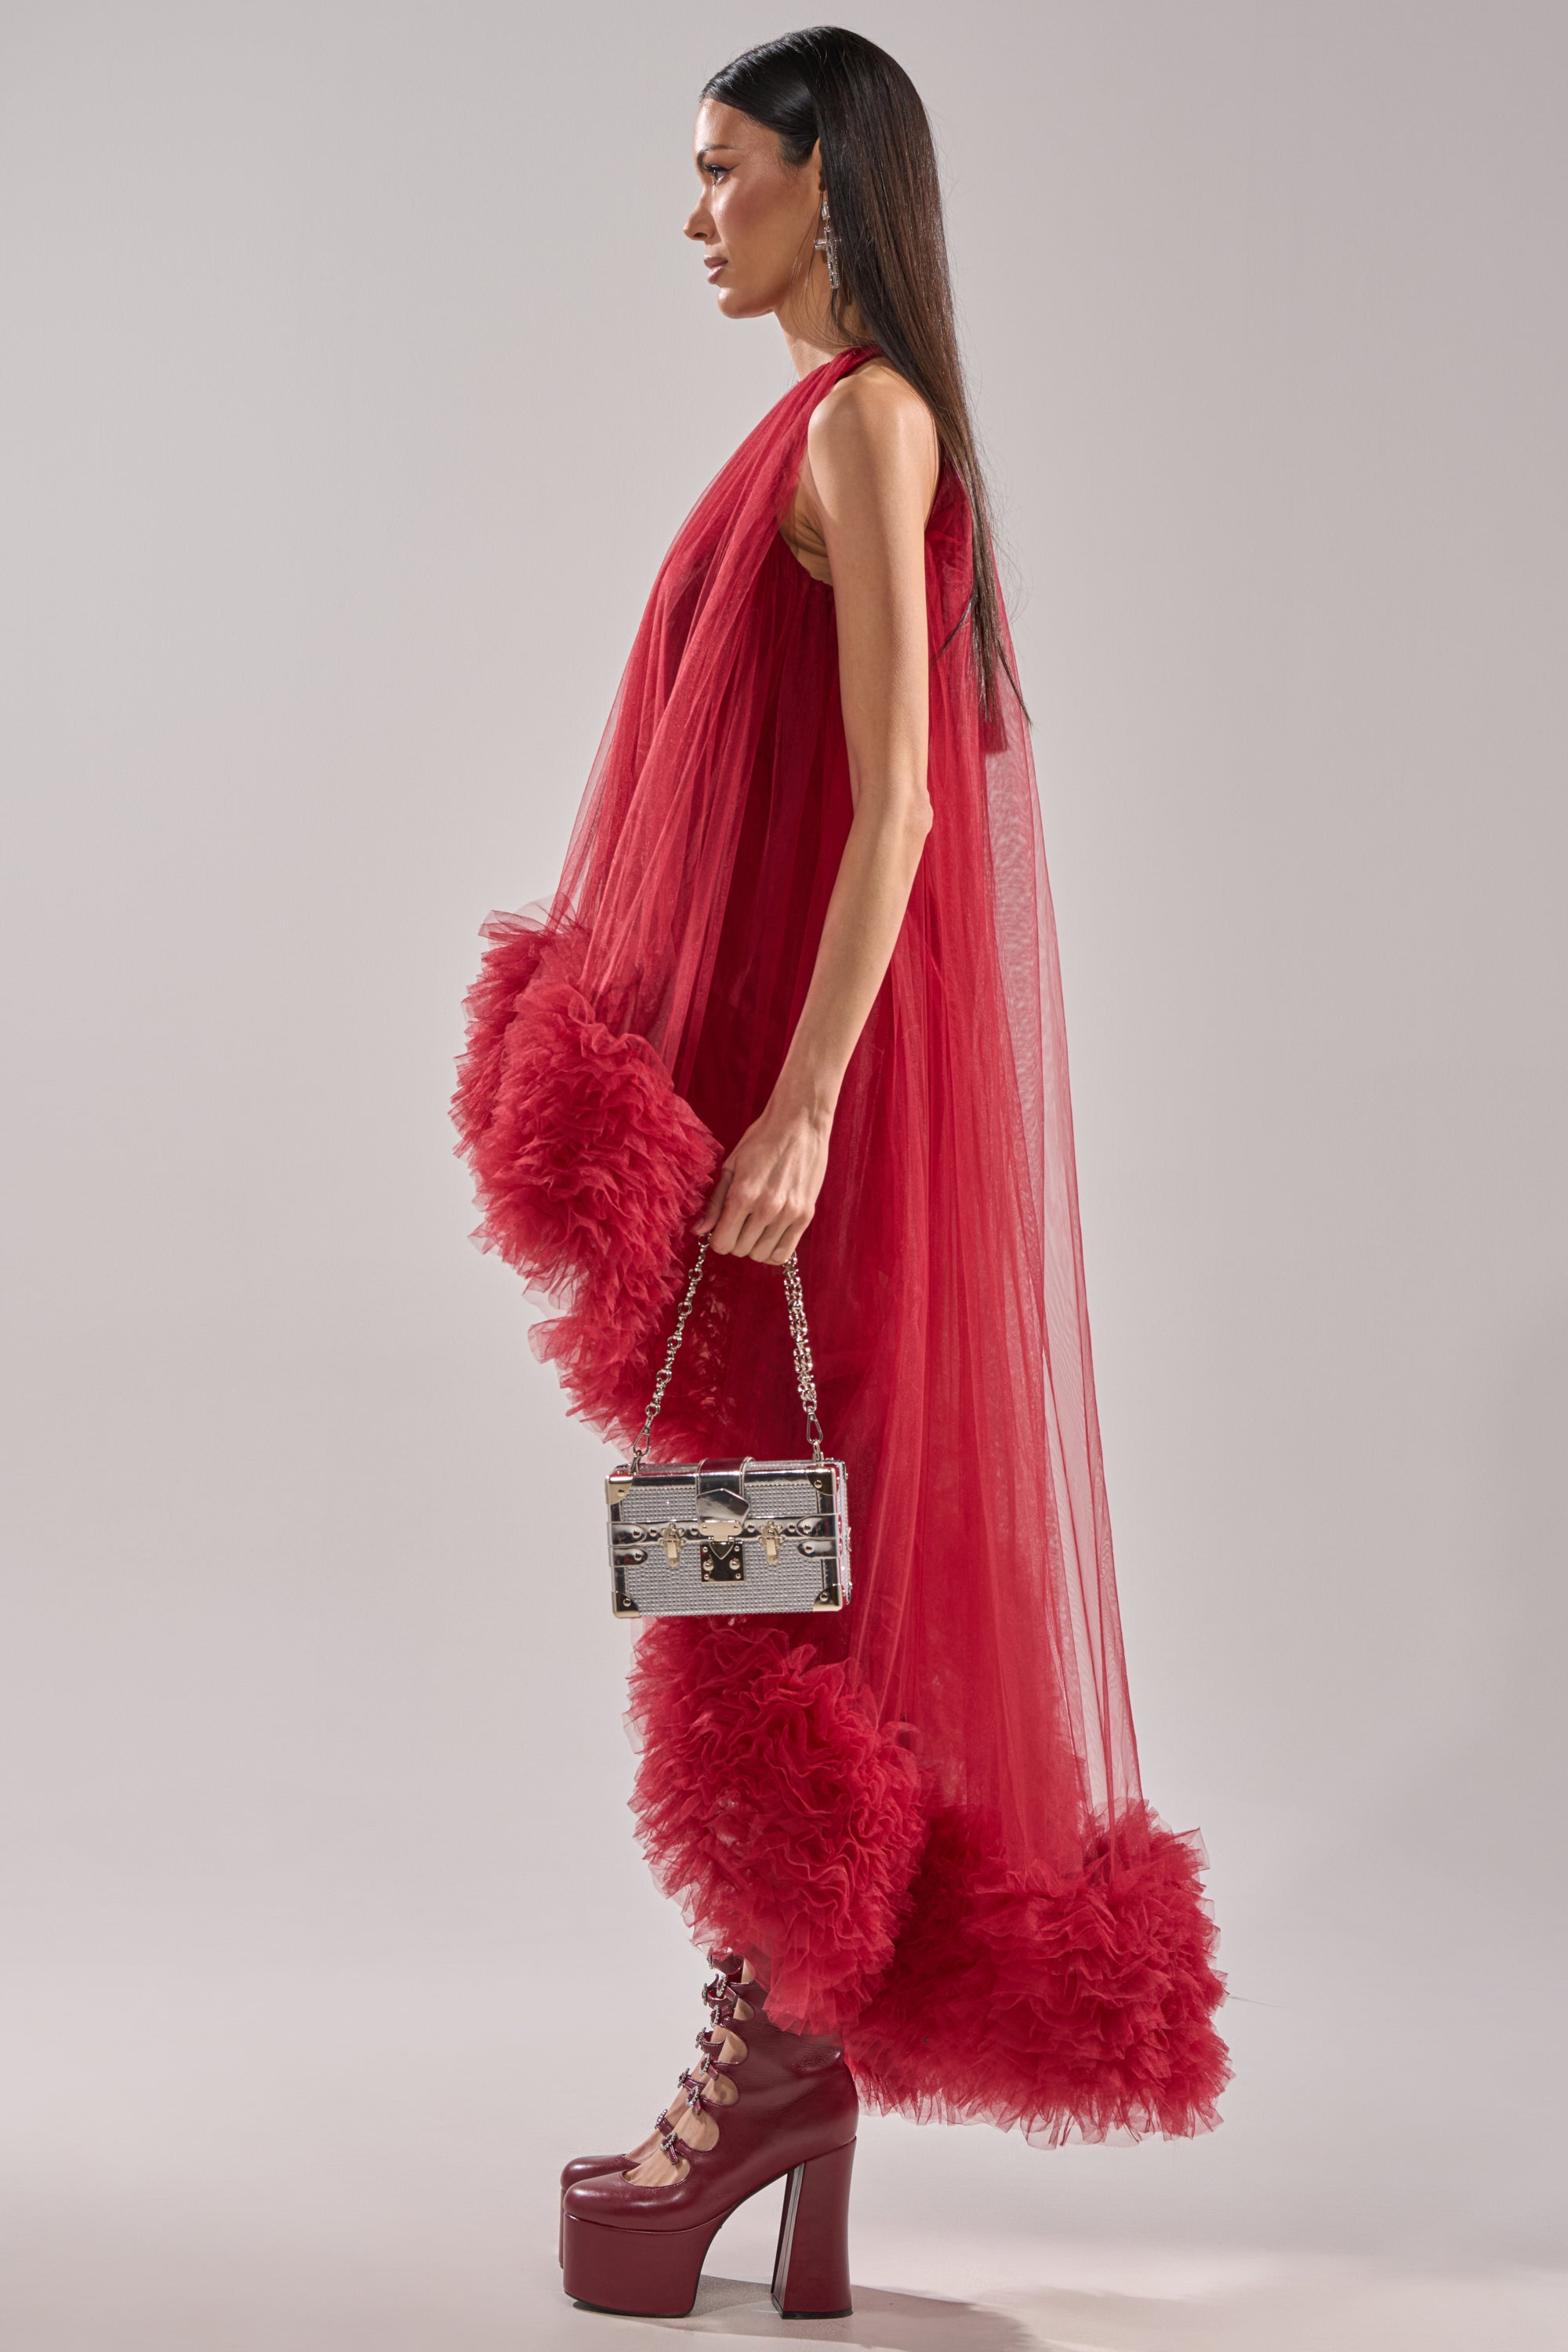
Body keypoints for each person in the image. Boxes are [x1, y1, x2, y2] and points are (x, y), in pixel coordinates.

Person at [454, 27, 1229, 2323]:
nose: (695, 215)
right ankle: (772, 2057)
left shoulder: (869, 422)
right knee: (740, 1568)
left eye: (721, 173)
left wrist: (790, 1107)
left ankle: (772, 2066)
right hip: (747, 1127)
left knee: (777, 1577)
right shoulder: (806, 430)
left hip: (812, 1132)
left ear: (827, 182)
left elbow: (896, 804)